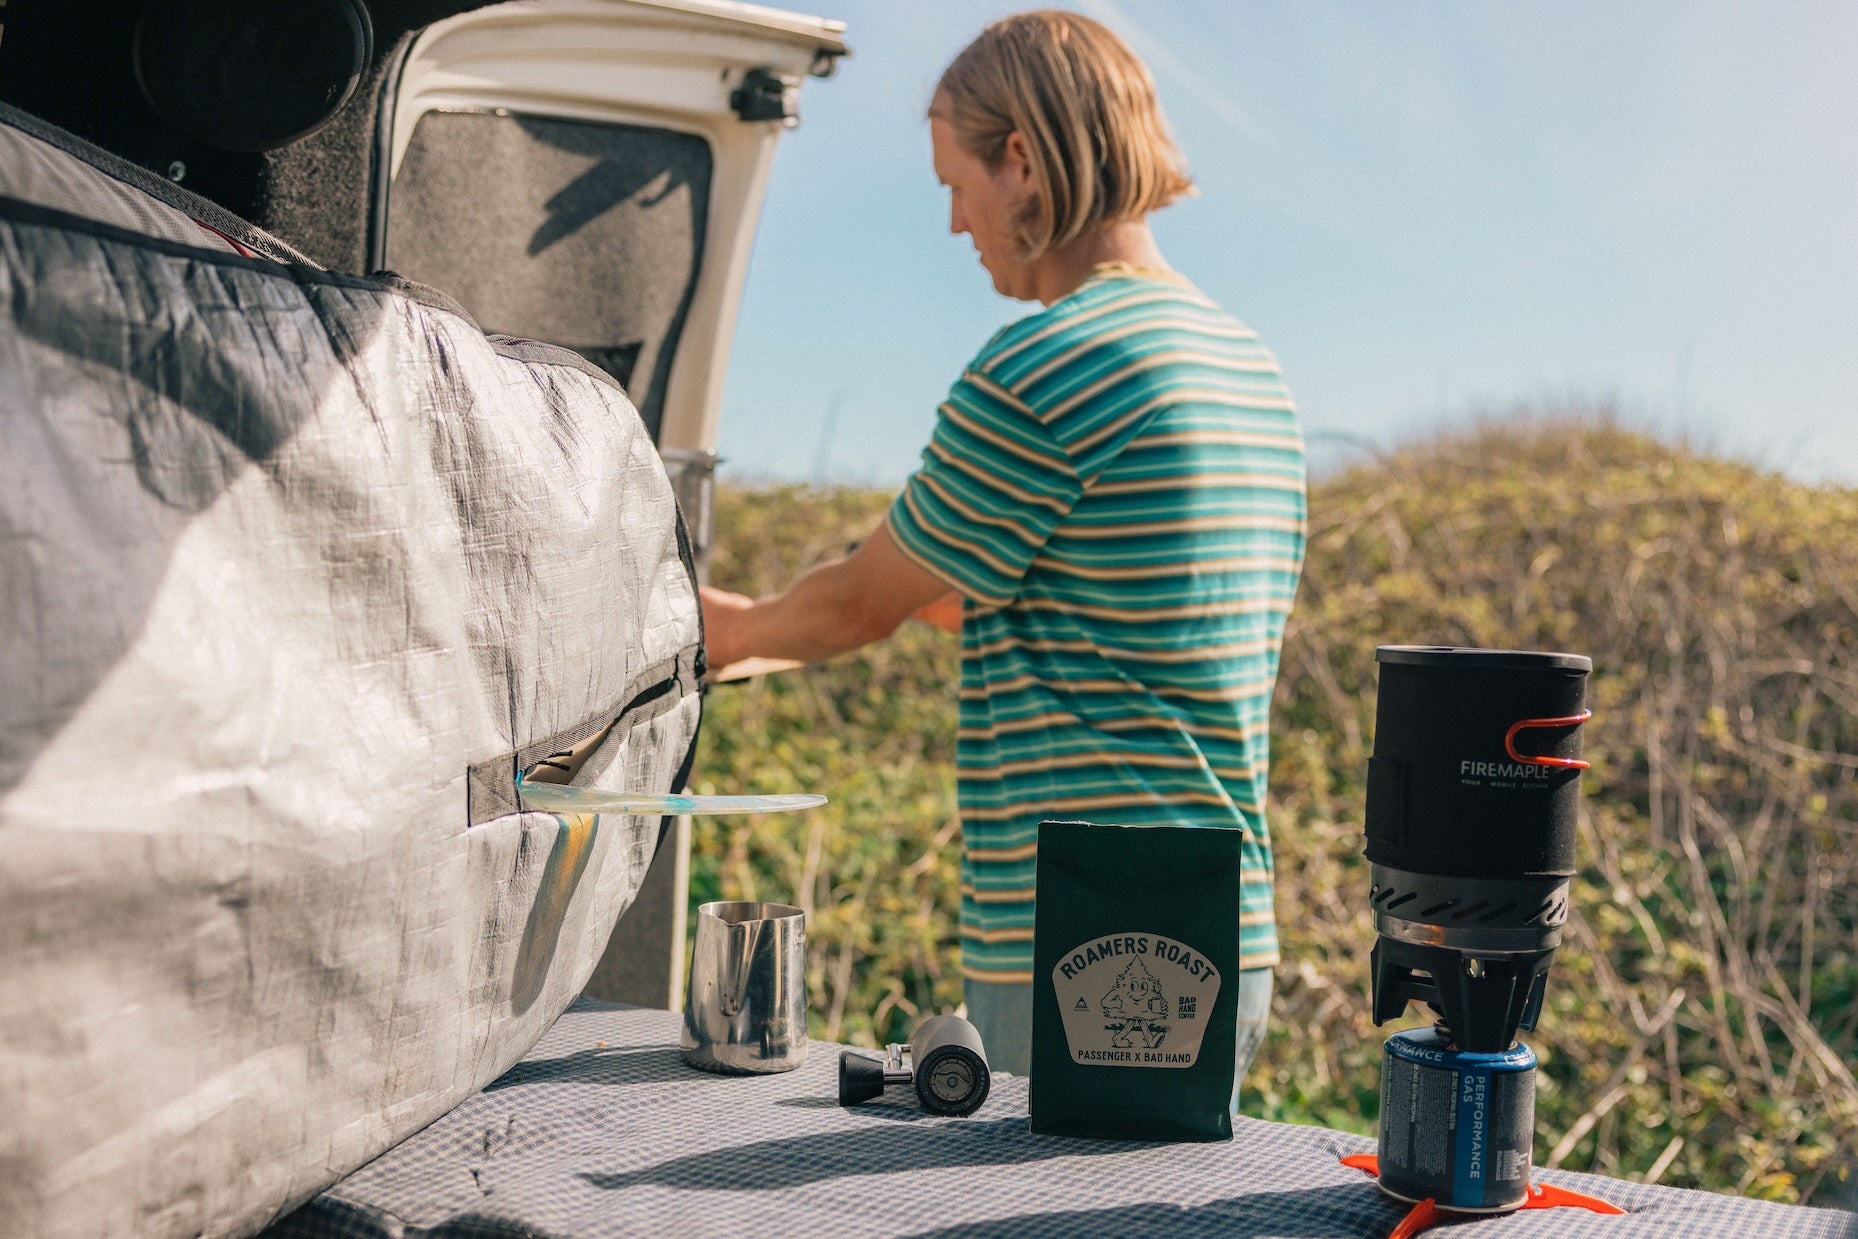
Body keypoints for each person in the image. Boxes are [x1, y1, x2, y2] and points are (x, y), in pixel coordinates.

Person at [701, 10, 1306, 1090]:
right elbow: (1100, 606)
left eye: (955, 183)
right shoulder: (1244, 365)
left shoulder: (1048, 366)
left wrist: (726, 633)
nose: (953, 221)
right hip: (1225, 921)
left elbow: (858, 608)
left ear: (1020, 160)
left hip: (1087, 933)